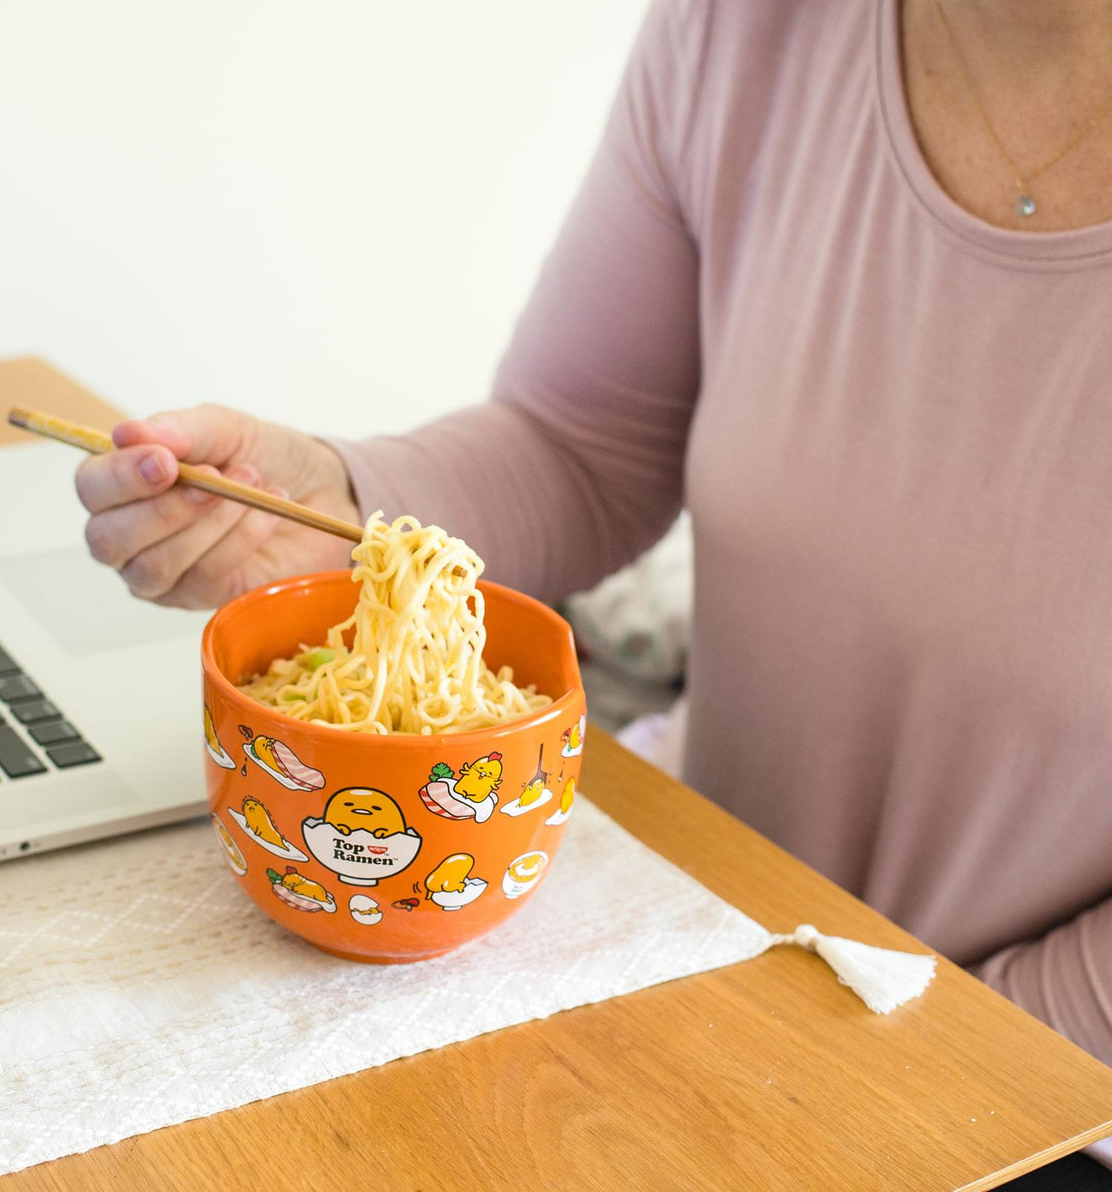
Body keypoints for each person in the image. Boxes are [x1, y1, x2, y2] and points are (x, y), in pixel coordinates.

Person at [75, 0, 1112, 1181]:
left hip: (1033, 1084)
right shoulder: (748, 30)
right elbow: (583, 445)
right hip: (700, 931)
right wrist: (342, 505)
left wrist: (924, 1054)